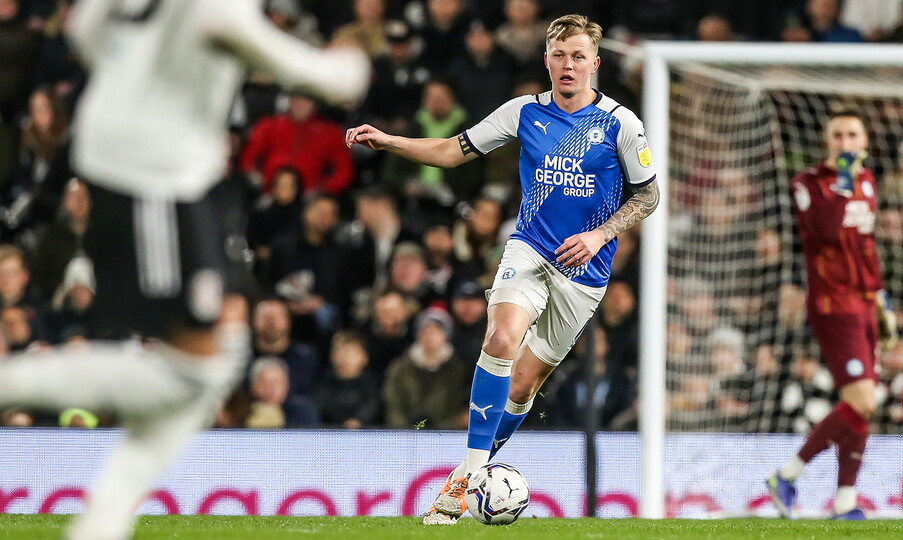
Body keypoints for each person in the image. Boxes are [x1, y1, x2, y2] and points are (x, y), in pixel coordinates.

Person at [0, 1, 369, 539]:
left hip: (156, 165)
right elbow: (251, 39)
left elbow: (83, 26)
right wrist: (340, 69)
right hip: (151, 170)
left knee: (215, 358)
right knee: (195, 370)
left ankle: (102, 523)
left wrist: (134, 84)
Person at [346, 13, 659, 525]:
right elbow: (453, 149)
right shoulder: (522, 113)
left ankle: (474, 470)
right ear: (546, 60)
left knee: (522, 387)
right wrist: (391, 142)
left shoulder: (622, 124)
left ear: (595, 64)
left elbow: (648, 194)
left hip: (586, 272)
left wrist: (602, 233)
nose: (568, 65)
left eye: (578, 56)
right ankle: (464, 483)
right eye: (559, 55)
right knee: (499, 340)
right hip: (529, 249)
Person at [766, 110, 898, 520]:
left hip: (863, 302)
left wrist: (880, 296)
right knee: (863, 397)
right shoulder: (807, 183)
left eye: (852, 135)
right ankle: (788, 474)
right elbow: (824, 231)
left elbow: (864, 244)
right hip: (832, 304)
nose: (845, 142)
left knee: (859, 404)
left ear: (863, 140)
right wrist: (842, 181)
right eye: (837, 135)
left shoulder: (868, 182)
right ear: (828, 140)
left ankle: (844, 501)